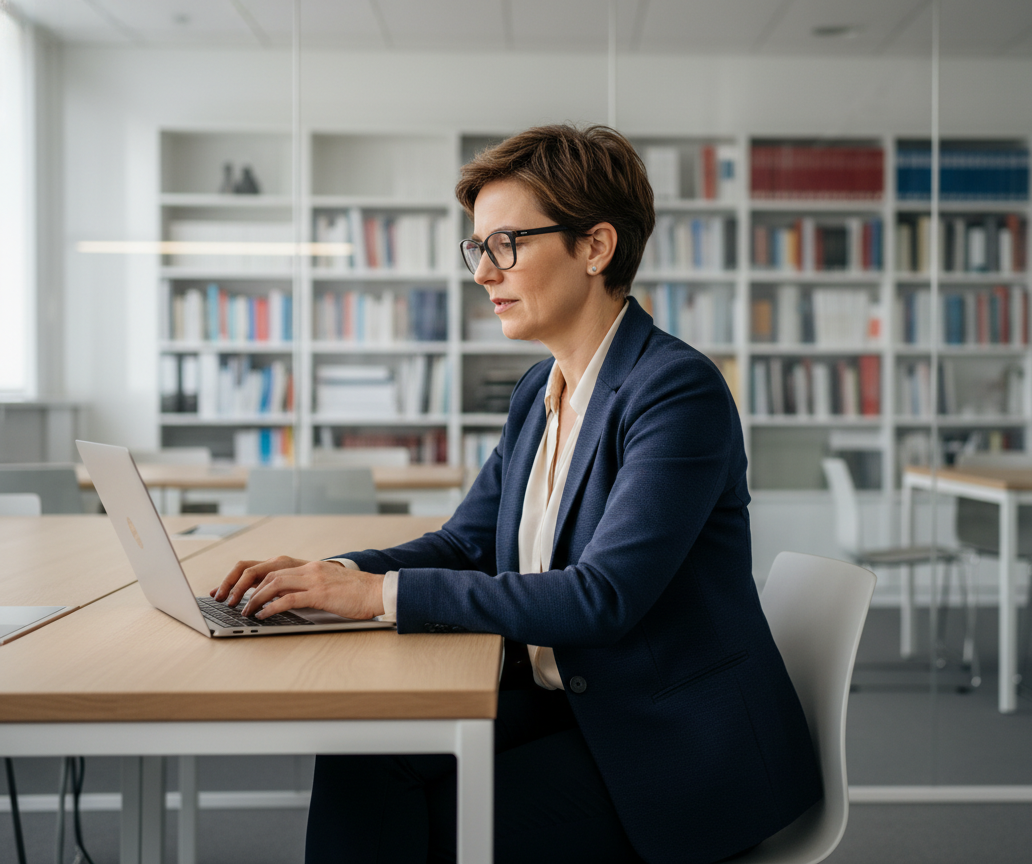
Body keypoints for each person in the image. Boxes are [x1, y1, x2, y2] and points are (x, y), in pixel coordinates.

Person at [212, 124, 822, 864]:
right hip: (575, 703)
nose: (482, 273)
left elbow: (601, 597)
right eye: (478, 248)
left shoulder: (675, 390)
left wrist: (377, 597)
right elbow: (467, 543)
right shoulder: (541, 389)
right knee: (362, 754)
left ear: (595, 248)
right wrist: (330, 577)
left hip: (674, 744)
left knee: (428, 827)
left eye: (507, 245)